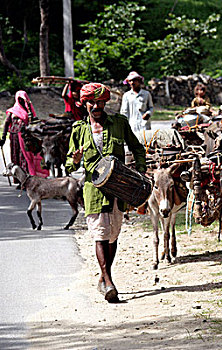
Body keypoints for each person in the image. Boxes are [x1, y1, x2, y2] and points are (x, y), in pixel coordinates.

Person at [66, 83, 146, 303]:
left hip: (119, 188)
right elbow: (69, 166)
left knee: (113, 235)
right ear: (85, 104)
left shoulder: (119, 123)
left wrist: (140, 168)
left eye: (100, 102)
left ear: (105, 103)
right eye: (91, 102)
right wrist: (73, 161)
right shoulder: (78, 130)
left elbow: (137, 148)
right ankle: (109, 281)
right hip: (93, 189)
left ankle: (103, 278)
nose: (96, 106)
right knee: (100, 233)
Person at [0, 91, 48, 183]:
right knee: (15, 157)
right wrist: (3, 137)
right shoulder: (12, 111)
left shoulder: (28, 111)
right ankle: (18, 180)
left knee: (25, 157)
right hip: (14, 137)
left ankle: (26, 179)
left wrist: (29, 106)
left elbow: (33, 123)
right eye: (20, 99)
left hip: (24, 137)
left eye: (23, 99)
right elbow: (6, 123)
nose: (21, 101)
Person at [120, 71, 154, 137]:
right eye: (130, 81)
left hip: (144, 124)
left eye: (134, 80)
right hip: (132, 125)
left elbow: (151, 107)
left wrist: (148, 114)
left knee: (146, 143)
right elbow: (124, 112)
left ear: (139, 81)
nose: (132, 82)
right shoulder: (126, 95)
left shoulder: (146, 94)